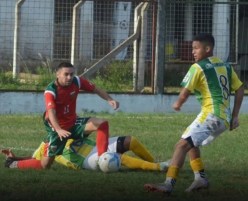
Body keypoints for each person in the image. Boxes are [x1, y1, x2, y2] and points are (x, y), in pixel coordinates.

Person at [144, 33, 244, 195]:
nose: (193, 52)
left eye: (196, 48)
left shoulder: (198, 67)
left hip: (211, 114)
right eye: (193, 48)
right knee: (191, 142)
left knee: (181, 145)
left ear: (207, 48)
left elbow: (185, 93)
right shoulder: (225, 66)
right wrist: (235, 116)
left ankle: (168, 184)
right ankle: (200, 179)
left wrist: (178, 103)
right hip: (224, 118)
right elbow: (240, 88)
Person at [5, 62, 119, 169]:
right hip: (57, 128)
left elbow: (95, 88)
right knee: (45, 165)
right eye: (66, 74)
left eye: (71, 74)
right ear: (57, 74)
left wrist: (109, 99)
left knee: (102, 123)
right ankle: (13, 163)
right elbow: (51, 112)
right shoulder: (51, 91)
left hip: (74, 122)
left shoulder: (77, 81)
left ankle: (102, 159)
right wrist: (59, 130)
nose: (69, 77)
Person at [2, 135, 170, 172]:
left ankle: (152, 162)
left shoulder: (71, 124)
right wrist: (13, 159)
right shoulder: (46, 145)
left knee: (130, 141)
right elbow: (35, 160)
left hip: (95, 146)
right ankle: (158, 167)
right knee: (118, 159)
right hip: (85, 159)